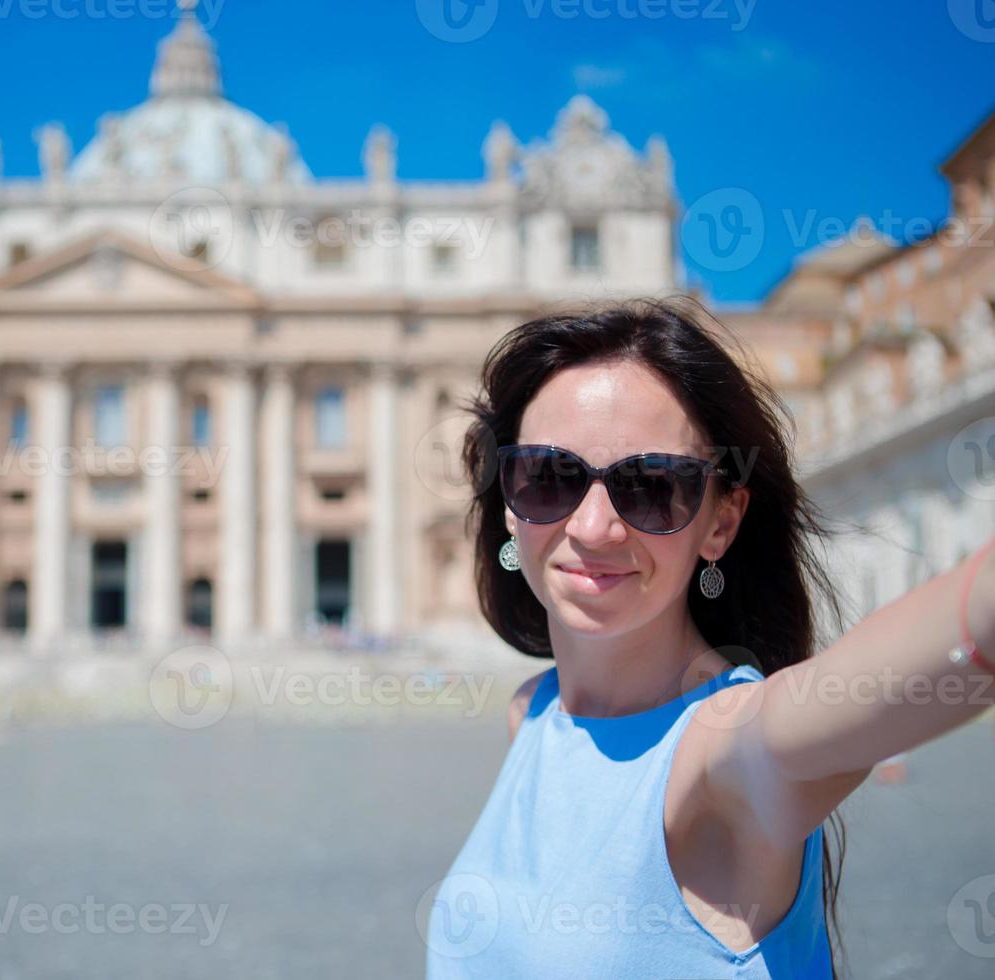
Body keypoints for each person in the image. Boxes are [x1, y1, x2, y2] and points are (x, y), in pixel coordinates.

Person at [425, 298, 994, 979]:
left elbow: (955, 632)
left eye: (650, 486)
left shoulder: (729, 749)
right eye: (550, 477)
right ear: (511, 507)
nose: (594, 527)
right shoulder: (532, 713)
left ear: (720, 524)